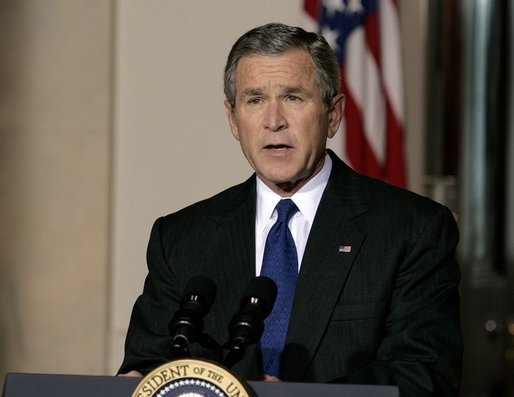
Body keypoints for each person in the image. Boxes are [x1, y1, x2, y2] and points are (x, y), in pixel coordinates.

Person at [119, 23, 462, 396]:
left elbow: (424, 377)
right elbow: (146, 368)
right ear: (233, 120)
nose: (273, 121)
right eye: (254, 100)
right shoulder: (181, 238)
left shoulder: (411, 230)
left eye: (293, 98)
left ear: (333, 114)